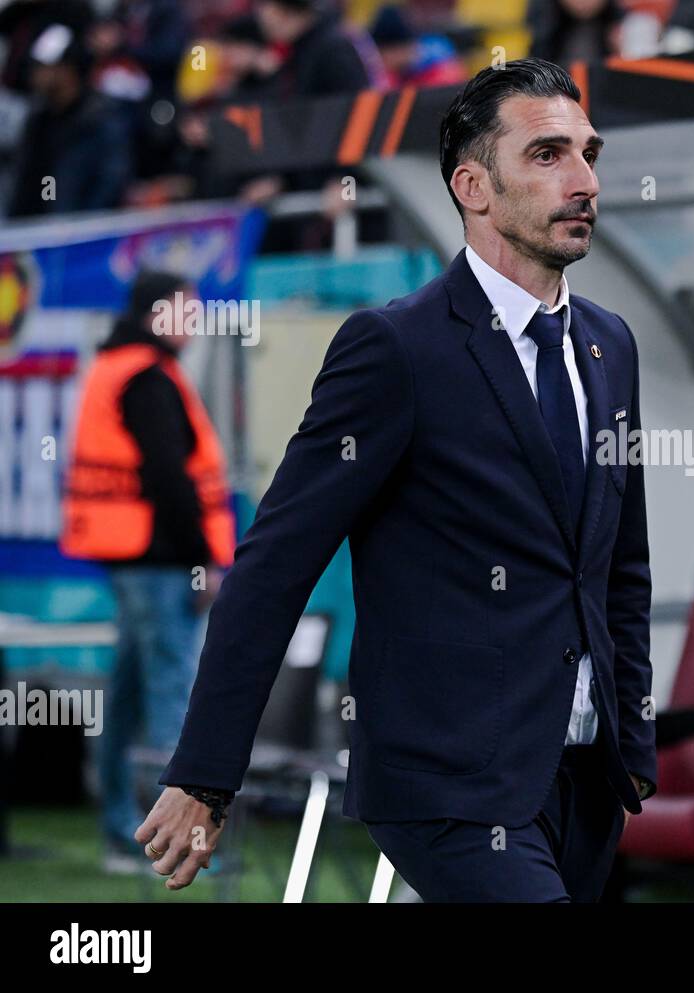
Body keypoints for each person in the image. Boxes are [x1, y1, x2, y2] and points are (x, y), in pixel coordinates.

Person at [137, 58, 657, 902]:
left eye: (588, 153)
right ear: (473, 187)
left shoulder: (612, 344)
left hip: (585, 783)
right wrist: (205, 775)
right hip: (447, 783)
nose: (586, 180)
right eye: (548, 154)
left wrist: (632, 741)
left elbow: (619, 565)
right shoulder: (396, 348)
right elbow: (274, 565)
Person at [59, 270, 236, 874]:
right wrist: (201, 561)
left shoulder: (122, 367)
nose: (194, 322)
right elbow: (169, 480)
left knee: (131, 695)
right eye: (186, 310)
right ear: (158, 313)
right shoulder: (147, 376)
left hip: (136, 560)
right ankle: (172, 844)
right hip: (161, 562)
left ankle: (121, 836)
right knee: (169, 702)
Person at [6, 22, 132, 217]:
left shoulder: (101, 120)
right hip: (37, 233)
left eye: (44, 67)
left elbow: (109, 185)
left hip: (81, 236)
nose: (35, 75)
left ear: (67, 70)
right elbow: (32, 185)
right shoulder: (41, 119)